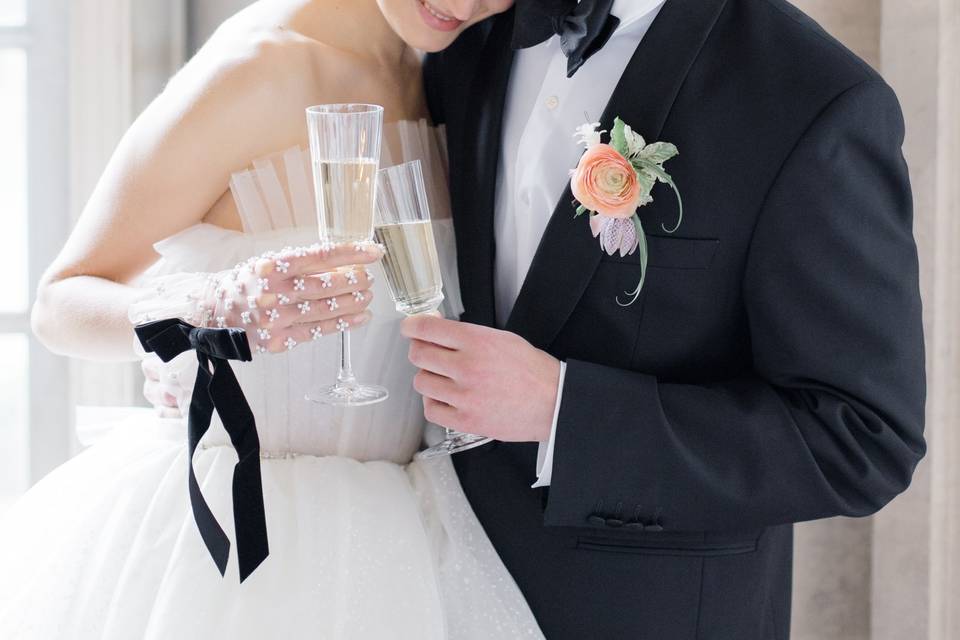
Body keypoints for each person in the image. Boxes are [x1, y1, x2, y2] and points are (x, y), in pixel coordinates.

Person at [0, 0, 544, 638]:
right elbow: (59, 303)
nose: (466, 2)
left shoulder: (445, 74)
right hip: (238, 541)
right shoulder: (255, 69)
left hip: (405, 540)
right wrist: (205, 308)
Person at [409, 0, 927, 637]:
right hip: (441, 591)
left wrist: (563, 412)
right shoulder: (472, 30)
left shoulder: (813, 95)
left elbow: (863, 438)